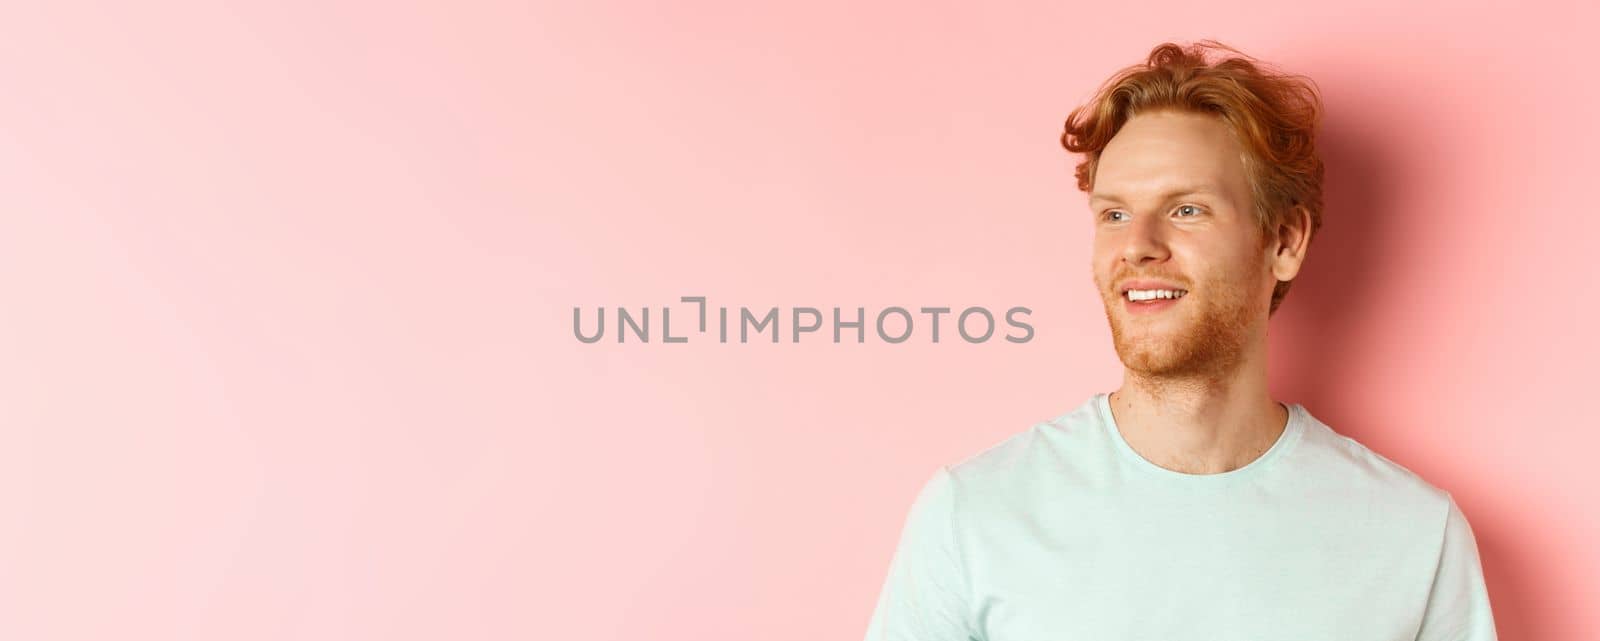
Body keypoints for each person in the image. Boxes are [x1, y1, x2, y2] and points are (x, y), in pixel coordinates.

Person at [863, 40, 1498, 640]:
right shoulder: (974, 514)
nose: (1137, 245)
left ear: (1283, 242)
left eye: (1186, 209)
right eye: (1114, 214)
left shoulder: (1413, 535)